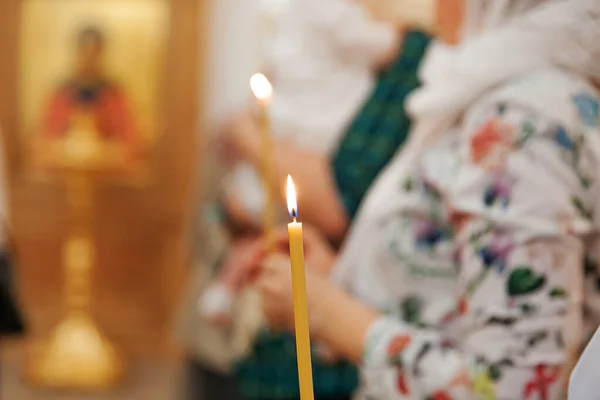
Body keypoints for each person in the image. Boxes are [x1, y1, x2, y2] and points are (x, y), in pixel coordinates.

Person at [252, 0, 600, 398]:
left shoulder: (523, 122)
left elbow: (512, 389)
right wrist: (343, 276)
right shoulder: (500, 93)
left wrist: (326, 312)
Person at [39, 26, 139, 161]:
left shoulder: (114, 94)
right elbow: (46, 137)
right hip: (65, 171)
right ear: (77, 52)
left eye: (94, 52)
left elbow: (129, 140)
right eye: (85, 51)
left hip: (105, 171)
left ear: (101, 53)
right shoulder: (62, 93)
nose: (89, 59)